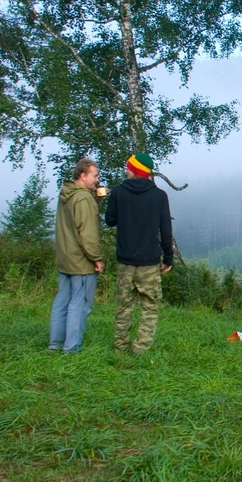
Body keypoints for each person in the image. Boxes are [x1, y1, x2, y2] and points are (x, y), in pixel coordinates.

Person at [105, 152, 173, 355]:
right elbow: (166, 229)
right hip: (149, 262)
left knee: (124, 306)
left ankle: (120, 347)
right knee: (149, 307)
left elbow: (110, 220)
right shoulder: (159, 196)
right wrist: (168, 258)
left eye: (128, 167)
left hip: (125, 261)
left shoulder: (118, 192)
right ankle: (140, 349)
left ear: (134, 170)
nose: (126, 170)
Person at [50, 158, 103, 352]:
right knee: (79, 305)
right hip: (81, 261)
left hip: (65, 257)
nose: (97, 179)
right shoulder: (83, 198)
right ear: (83, 175)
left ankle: (55, 343)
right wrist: (96, 258)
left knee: (62, 301)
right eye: (95, 175)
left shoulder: (66, 194)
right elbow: (87, 233)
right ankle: (71, 347)